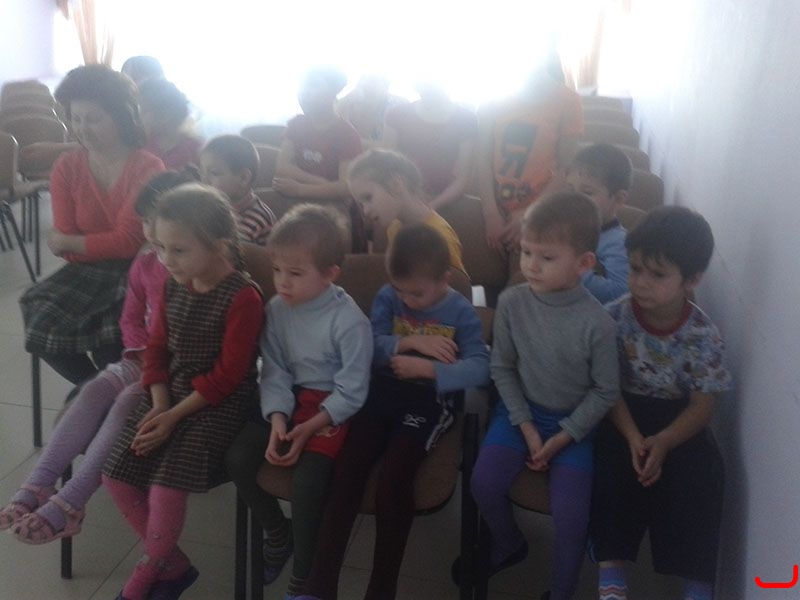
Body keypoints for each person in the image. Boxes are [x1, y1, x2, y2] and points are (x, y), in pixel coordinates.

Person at [298, 224, 489, 600]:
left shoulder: (461, 312)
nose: (407, 300)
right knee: (346, 472)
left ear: (445, 280)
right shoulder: (389, 295)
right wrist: (408, 342)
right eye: (400, 289)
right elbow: (368, 345)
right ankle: (319, 587)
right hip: (381, 394)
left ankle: (381, 589)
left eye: (417, 293)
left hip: (428, 401)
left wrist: (429, 369)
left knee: (393, 482)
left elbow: (481, 368)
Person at [0, 171, 192, 543]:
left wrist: (152, 365)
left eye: (159, 222)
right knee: (93, 389)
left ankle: (71, 502)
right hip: (141, 358)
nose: (150, 232)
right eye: (146, 221)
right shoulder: (147, 262)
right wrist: (137, 353)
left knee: (125, 403)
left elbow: (194, 341)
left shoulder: (194, 269)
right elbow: (131, 318)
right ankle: (38, 485)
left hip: (177, 372)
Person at [101, 183, 264, 600]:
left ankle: (143, 577)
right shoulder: (174, 284)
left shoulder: (243, 297)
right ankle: (173, 566)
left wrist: (172, 417)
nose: (165, 260)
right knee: (116, 474)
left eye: (178, 250)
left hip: (217, 405)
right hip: (170, 396)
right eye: (160, 248)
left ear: (219, 246)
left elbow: (227, 377)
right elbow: (155, 350)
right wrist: (160, 405)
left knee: (165, 488)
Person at [455, 192, 620, 600]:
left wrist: (563, 436)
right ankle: (510, 543)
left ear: (584, 263)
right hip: (520, 415)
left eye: (546, 257)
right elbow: (502, 368)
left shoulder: (598, 323)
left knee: (571, 517)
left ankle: (561, 591)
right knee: (483, 484)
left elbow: (605, 391)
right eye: (526, 252)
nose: (530, 264)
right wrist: (527, 427)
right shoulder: (512, 303)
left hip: (574, 428)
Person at [225, 204, 373, 599]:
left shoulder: (349, 321)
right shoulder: (276, 309)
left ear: (330, 274)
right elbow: (273, 369)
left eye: (295, 273)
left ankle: (304, 576)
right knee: (238, 457)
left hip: (330, 404)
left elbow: (353, 390)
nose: (282, 282)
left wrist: (309, 428)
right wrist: (277, 418)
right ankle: (279, 533)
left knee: (308, 484)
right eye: (276, 270)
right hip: (288, 397)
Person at [589, 206, 731, 600]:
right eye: (635, 269)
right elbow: (607, 387)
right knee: (611, 468)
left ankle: (697, 584)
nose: (641, 283)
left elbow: (702, 406)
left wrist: (665, 441)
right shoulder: (613, 319)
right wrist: (634, 437)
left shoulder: (703, 335)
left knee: (703, 476)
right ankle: (612, 572)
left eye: (657, 274)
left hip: (677, 419)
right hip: (622, 413)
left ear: (692, 279)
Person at [19, 64, 165, 385]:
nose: (83, 129)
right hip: (88, 270)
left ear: (122, 117)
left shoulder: (148, 167)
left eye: (94, 119)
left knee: (110, 340)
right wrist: (82, 244)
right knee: (38, 317)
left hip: (137, 269)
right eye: (76, 119)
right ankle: (97, 390)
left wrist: (73, 243)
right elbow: (66, 249)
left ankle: (110, 390)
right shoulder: (67, 166)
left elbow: (128, 242)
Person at [477, 54, 583, 261]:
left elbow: (567, 168)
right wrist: (491, 215)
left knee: (527, 275)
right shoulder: (492, 100)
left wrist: (529, 213)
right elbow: (483, 159)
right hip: (494, 211)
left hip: (543, 211)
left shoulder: (568, 101)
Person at [273, 66, 366, 251]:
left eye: (313, 86)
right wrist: (323, 183)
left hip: (334, 211)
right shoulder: (296, 124)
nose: (304, 93)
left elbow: (346, 188)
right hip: (298, 203)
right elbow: (282, 168)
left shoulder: (346, 134)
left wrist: (299, 189)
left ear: (333, 92)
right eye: (302, 86)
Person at [348, 148, 465, 272]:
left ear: (396, 185)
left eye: (368, 197)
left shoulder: (440, 236)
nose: (365, 211)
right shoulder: (394, 228)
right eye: (361, 204)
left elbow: (457, 282)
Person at [383, 81, 477, 211]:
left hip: (447, 202)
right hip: (399, 199)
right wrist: (407, 198)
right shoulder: (396, 114)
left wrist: (433, 206)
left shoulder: (466, 119)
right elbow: (385, 167)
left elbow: (463, 179)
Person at [566, 143, 632, 303]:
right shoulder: (562, 228)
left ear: (618, 199)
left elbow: (620, 293)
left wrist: (570, 268)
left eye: (587, 193)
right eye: (570, 189)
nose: (574, 199)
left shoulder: (619, 242)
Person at [200, 134, 276, 245]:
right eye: (201, 172)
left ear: (243, 178)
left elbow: (232, 254)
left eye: (214, 173)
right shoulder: (213, 206)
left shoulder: (257, 218)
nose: (204, 180)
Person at [139, 78, 202, 170]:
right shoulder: (141, 144)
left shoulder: (194, 150)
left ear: (166, 116)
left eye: (144, 111)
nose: (139, 116)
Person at [336, 73, 407, 142]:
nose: (367, 84)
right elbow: (336, 130)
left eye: (373, 81)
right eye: (363, 81)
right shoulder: (351, 102)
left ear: (385, 87)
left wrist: (351, 142)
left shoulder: (395, 105)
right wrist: (345, 102)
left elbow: (387, 146)